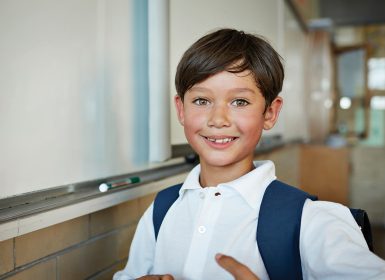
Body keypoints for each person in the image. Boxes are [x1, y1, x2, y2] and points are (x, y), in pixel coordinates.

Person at [113, 28, 385, 280]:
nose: (218, 119)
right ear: (181, 110)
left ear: (270, 112)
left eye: (239, 101)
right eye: (201, 100)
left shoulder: (310, 221)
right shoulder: (162, 210)